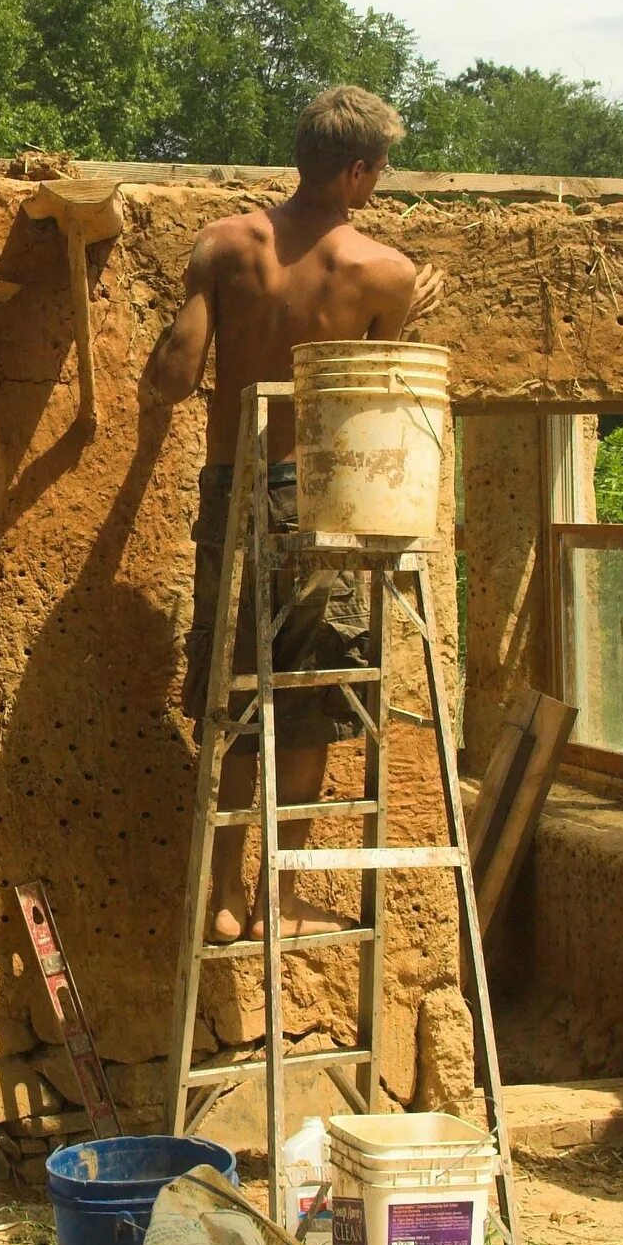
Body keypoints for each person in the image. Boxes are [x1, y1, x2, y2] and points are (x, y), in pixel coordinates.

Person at [141, 85, 441, 941]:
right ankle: (283, 893)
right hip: (319, 504)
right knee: (311, 696)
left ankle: (228, 896)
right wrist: (408, 320)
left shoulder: (226, 244)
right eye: (378, 170)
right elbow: (368, 403)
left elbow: (174, 374)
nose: (378, 184)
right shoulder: (384, 272)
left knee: (234, 692)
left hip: (233, 491)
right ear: (354, 170)